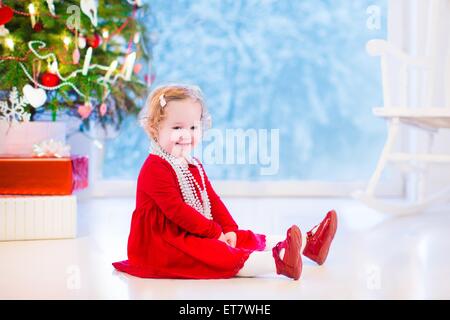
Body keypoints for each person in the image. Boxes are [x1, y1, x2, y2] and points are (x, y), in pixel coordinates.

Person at [112, 84, 338, 280]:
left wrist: (228, 228)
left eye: (193, 127)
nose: (187, 134)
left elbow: (211, 199)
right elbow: (177, 211)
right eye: (177, 127)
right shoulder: (155, 168)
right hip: (162, 245)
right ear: (154, 130)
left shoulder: (192, 164)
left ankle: (310, 246)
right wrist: (213, 231)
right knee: (214, 253)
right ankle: (279, 261)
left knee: (241, 237)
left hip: (188, 230)